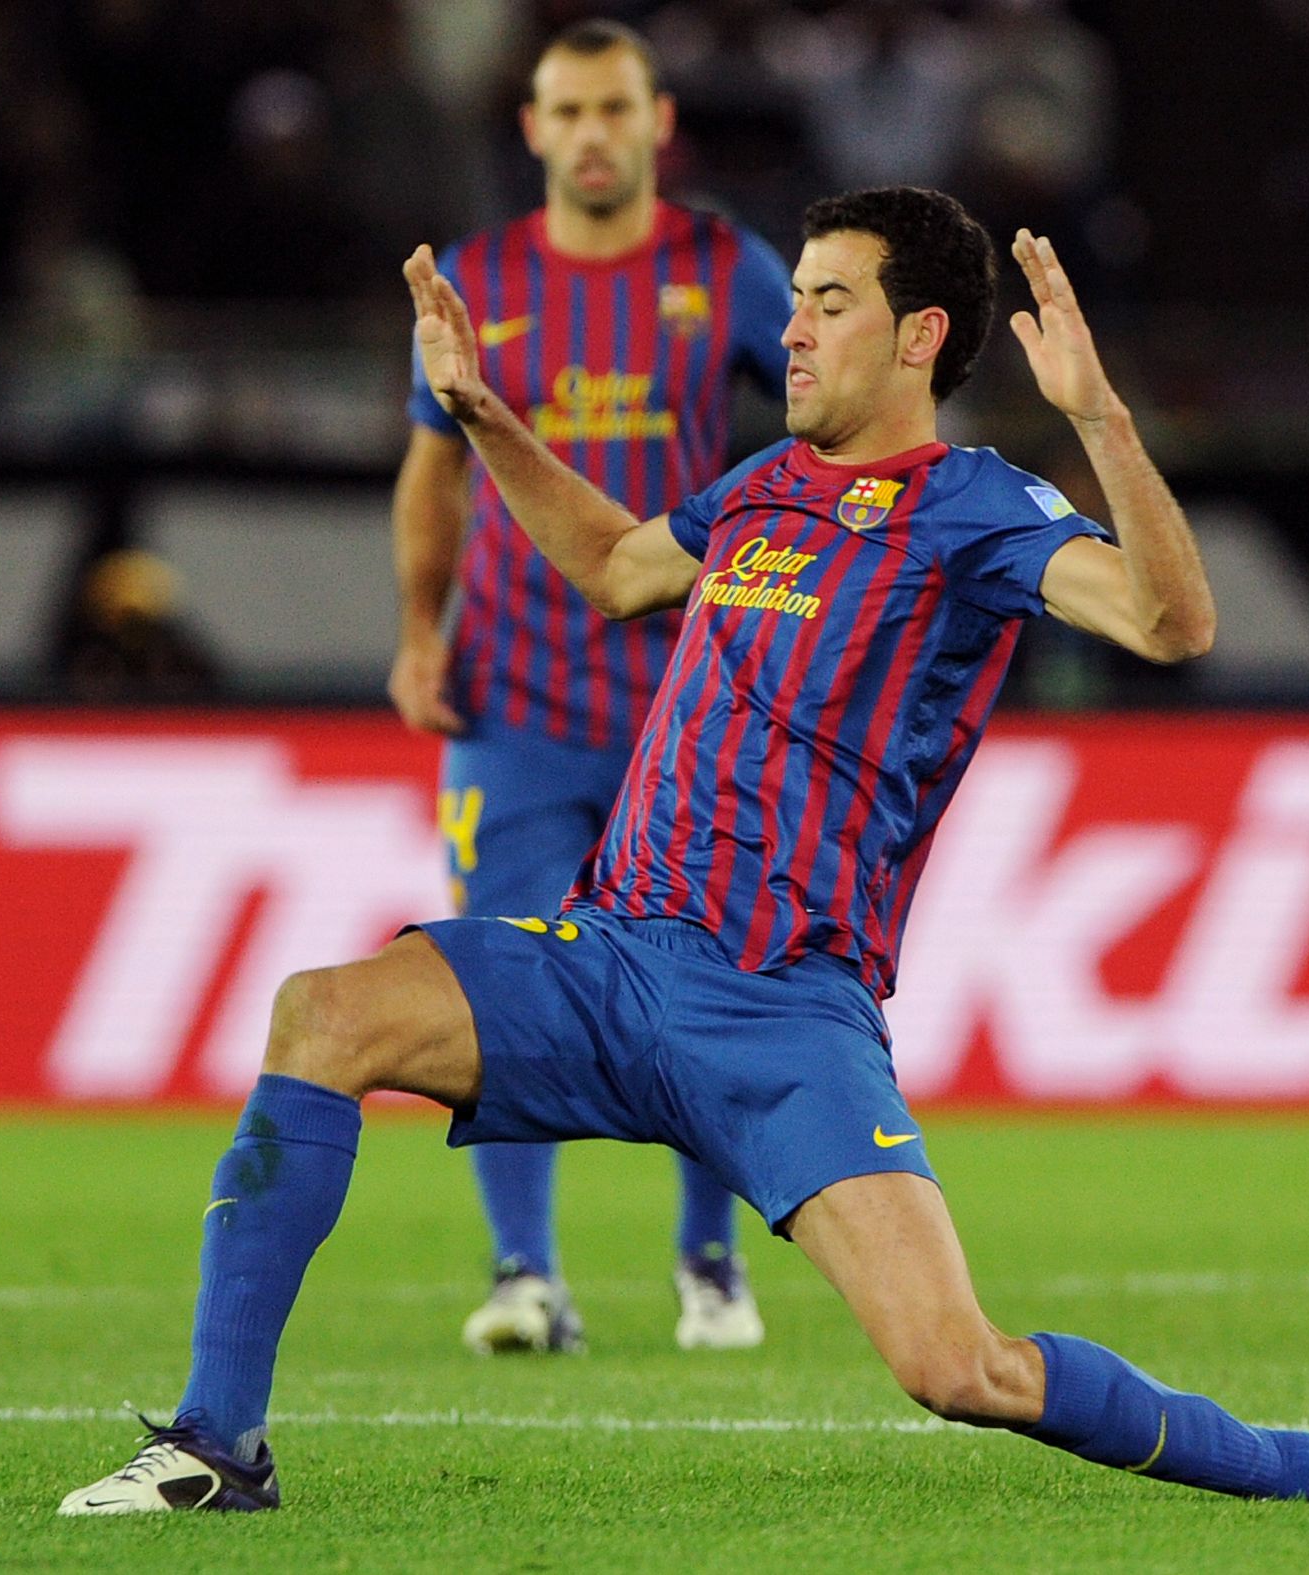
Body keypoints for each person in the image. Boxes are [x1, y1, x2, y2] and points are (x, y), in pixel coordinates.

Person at [59, 188, 1309, 1513]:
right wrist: (486, 414)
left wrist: (1104, 424)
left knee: (957, 1365)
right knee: (327, 1009)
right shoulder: (759, 488)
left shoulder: (974, 507)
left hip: (781, 1008)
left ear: (920, 334)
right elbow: (620, 565)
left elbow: (1170, 623)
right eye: (795, 296)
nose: (792, 327)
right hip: (612, 957)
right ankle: (213, 1447)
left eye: (828, 301)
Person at [392, 18, 791, 1357]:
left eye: (615, 108)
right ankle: (525, 1275)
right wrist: (415, 627)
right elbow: (433, 464)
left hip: (692, 697)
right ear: (533, 128)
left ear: (659, 120)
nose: (593, 135)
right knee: (501, 982)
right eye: (568, 112)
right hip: (513, 702)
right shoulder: (480, 283)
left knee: (713, 982)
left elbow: (830, 422)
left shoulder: (725, 269)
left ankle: (712, 1259)